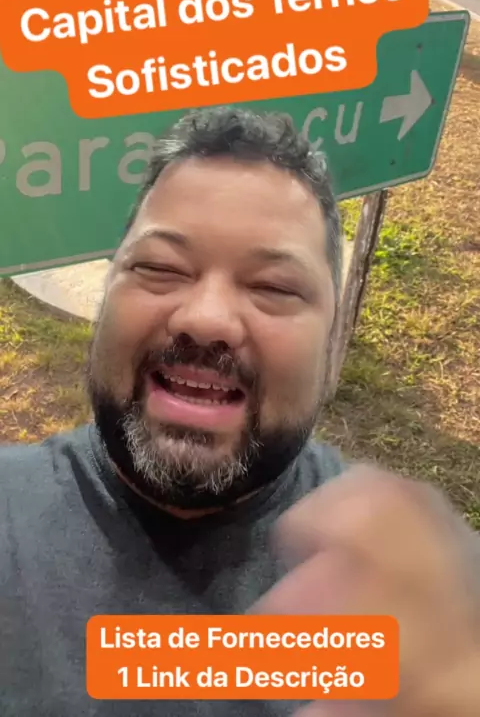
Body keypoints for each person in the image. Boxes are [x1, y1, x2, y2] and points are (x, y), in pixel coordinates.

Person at [0, 107, 478, 717]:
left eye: (274, 287)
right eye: (159, 268)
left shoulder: (423, 606)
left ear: (332, 339)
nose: (206, 319)